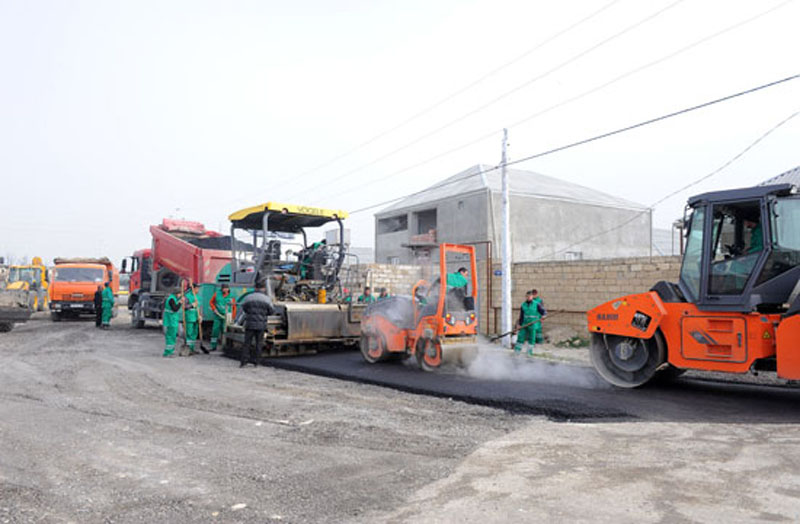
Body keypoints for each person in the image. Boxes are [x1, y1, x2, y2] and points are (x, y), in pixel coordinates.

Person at [239, 282, 274, 367]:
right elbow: (271, 311)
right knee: (259, 343)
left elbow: (244, 309)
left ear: (255, 288)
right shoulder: (267, 299)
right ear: (263, 289)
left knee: (247, 343)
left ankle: (244, 361)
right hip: (261, 325)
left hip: (250, 324)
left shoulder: (248, 298)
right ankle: (256, 362)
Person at [514, 289, 547, 356]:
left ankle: (529, 352)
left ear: (532, 297)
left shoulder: (536, 304)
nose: (529, 297)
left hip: (533, 324)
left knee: (532, 338)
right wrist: (519, 324)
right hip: (525, 323)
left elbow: (543, 311)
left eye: (530, 296)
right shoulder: (523, 305)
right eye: (527, 296)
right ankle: (517, 351)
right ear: (526, 297)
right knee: (521, 336)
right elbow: (521, 316)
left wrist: (544, 316)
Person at [209, 284, 236, 351]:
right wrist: (214, 309)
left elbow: (234, 308)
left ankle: (226, 346)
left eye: (226, 288)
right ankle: (213, 346)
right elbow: (211, 302)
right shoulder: (217, 294)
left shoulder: (231, 296)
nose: (225, 290)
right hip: (217, 316)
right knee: (215, 331)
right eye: (224, 289)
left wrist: (233, 317)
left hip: (227, 317)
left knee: (225, 331)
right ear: (221, 289)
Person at [181, 282, 200, 355]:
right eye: (197, 288)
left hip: (196, 316)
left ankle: (192, 348)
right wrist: (192, 305)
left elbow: (199, 306)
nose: (198, 290)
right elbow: (184, 307)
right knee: (189, 333)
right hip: (189, 317)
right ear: (193, 288)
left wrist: (200, 315)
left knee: (195, 334)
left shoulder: (197, 296)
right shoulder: (187, 296)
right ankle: (188, 349)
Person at [162, 290, 181, 357]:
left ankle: (170, 351)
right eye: (179, 294)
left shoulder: (172, 298)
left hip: (172, 320)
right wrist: (180, 303)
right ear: (176, 294)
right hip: (171, 321)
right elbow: (175, 309)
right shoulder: (171, 299)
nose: (180, 295)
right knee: (171, 336)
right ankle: (168, 352)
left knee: (172, 336)